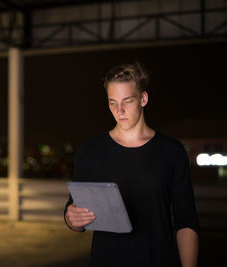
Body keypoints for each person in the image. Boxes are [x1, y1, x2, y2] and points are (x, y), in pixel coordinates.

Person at [64, 62, 199, 267]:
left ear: (143, 99)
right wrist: (71, 218)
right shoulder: (91, 150)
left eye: (127, 101)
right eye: (112, 102)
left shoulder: (172, 151)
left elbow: (186, 221)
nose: (119, 110)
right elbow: (75, 217)